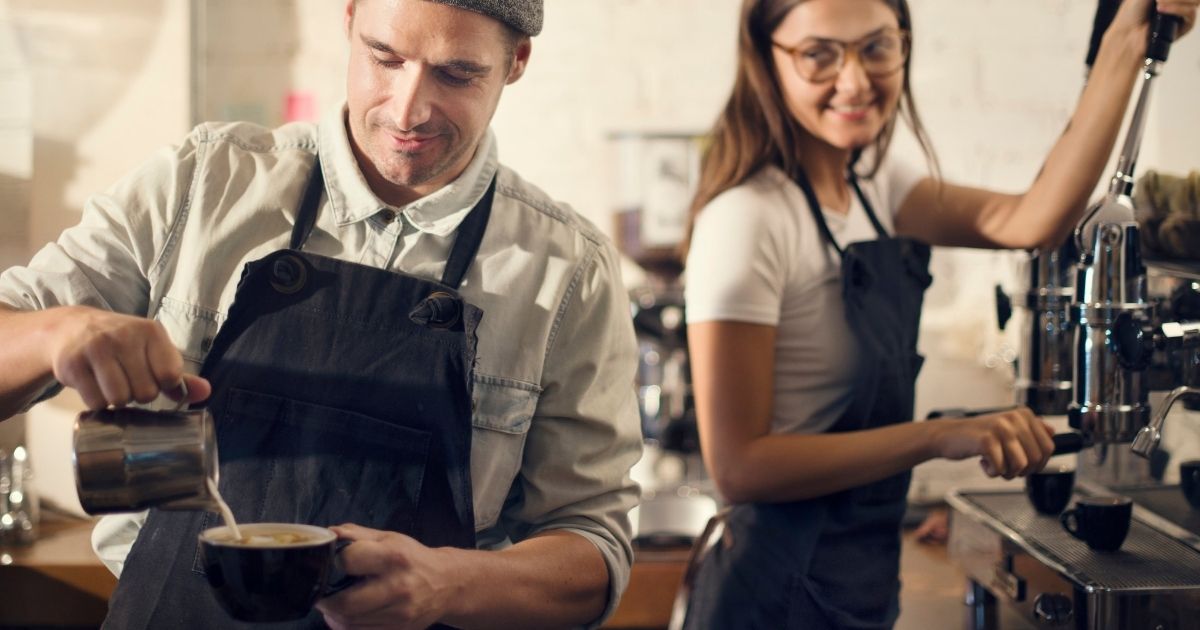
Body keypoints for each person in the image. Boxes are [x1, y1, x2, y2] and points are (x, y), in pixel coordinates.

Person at [0, 1, 643, 628]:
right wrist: (58, 330)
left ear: (516, 62)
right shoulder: (199, 186)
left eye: (456, 73)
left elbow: (593, 542)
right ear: (348, 19)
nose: (407, 107)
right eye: (383, 56)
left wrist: (451, 584)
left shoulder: (569, 271)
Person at [680, 0, 1197, 628]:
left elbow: (1035, 219)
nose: (854, 80)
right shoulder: (746, 218)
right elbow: (740, 468)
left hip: (857, 580)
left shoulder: (878, 186)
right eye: (819, 54)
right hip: (767, 590)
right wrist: (940, 434)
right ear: (767, 59)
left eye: (876, 47)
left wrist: (1126, 39)